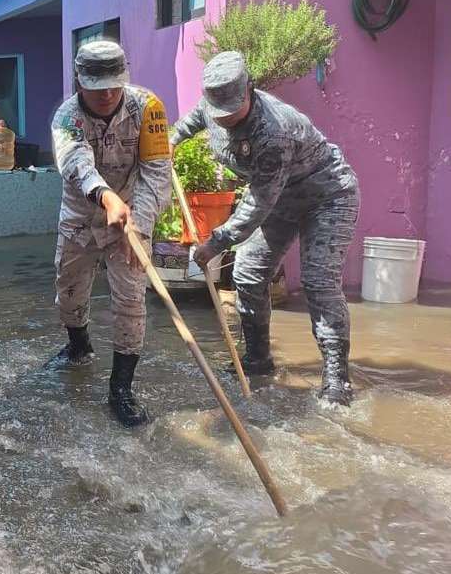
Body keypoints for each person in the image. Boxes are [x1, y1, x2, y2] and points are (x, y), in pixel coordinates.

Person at [172, 51, 360, 406]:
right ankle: (258, 359)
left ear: (250, 91)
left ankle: (338, 381)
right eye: (219, 113)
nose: (224, 119)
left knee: (319, 282)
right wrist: (170, 140)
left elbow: (258, 203)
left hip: (326, 196)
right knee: (247, 273)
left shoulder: (274, 131)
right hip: (280, 198)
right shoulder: (215, 101)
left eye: (232, 112)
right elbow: (196, 118)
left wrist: (215, 243)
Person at [51, 41, 172, 426]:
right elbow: (76, 162)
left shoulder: (147, 108)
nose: (106, 94)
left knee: (131, 299)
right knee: (68, 290)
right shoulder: (66, 118)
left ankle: (121, 387)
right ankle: (78, 346)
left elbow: (156, 174)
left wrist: (139, 224)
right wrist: (105, 198)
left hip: (131, 216)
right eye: (96, 85)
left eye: (113, 84)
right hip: (82, 213)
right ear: (79, 82)